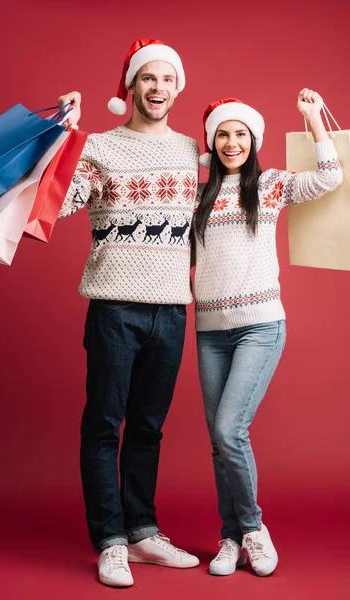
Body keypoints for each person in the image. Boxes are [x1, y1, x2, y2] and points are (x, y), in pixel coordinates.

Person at [57, 38, 200, 588]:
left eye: (167, 79)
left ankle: (142, 532)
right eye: (148, 79)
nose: (158, 88)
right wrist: (63, 134)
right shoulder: (100, 148)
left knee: (148, 427)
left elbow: (244, 188)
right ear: (131, 87)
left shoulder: (194, 152)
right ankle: (110, 541)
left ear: (176, 88)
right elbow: (64, 200)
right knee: (104, 425)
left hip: (172, 310)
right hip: (114, 305)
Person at [193, 90, 342, 577]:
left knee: (228, 430)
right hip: (210, 330)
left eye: (240, 134)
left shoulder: (272, 185)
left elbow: (330, 176)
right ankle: (229, 536)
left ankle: (253, 528)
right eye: (222, 134)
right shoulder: (198, 195)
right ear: (211, 142)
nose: (231, 142)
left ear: (253, 140)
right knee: (220, 442)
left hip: (259, 325)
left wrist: (313, 118)